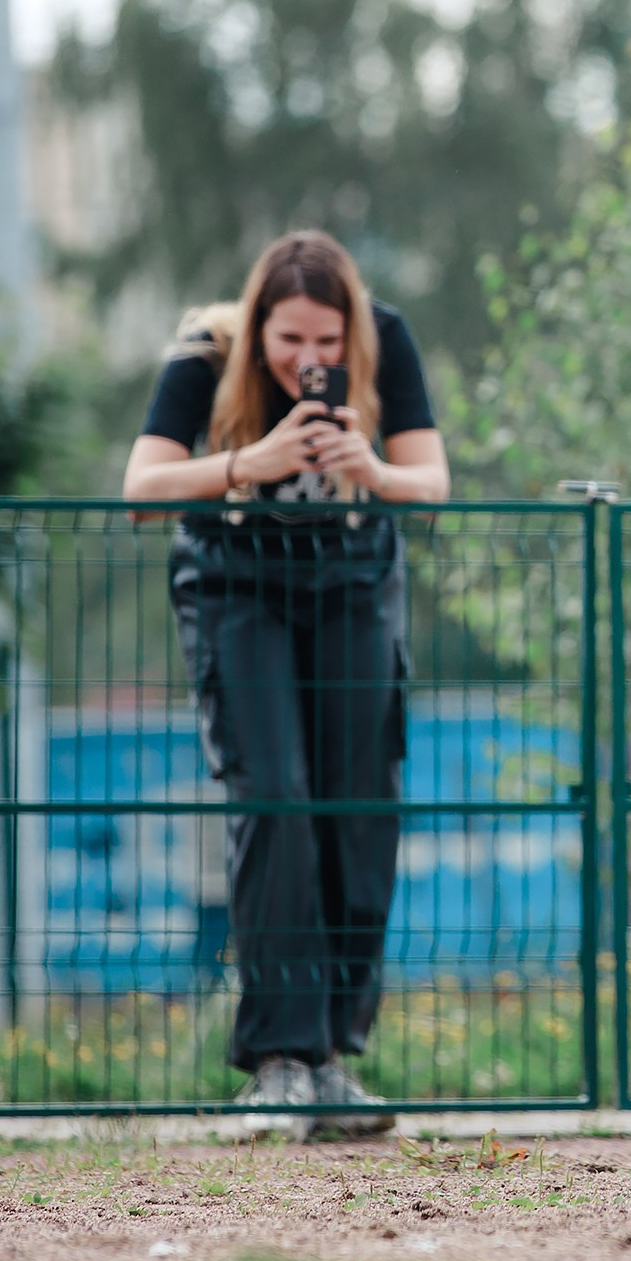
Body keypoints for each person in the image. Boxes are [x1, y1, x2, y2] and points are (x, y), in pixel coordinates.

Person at [123, 231, 449, 1139]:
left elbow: (431, 480)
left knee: (359, 811)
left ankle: (332, 1059)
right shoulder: (204, 353)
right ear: (256, 320)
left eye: (327, 343)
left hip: (351, 586)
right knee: (275, 801)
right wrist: (247, 463)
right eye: (289, 340)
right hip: (238, 590)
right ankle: (277, 1062)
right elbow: (141, 486)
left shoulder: (390, 337)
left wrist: (371, 471)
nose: (309, 359)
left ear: (353, 331)